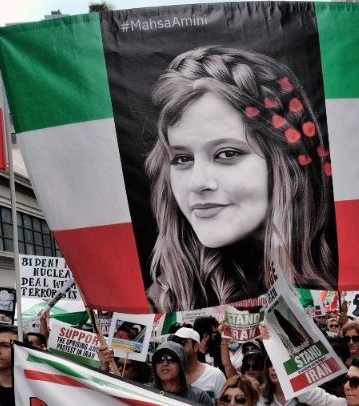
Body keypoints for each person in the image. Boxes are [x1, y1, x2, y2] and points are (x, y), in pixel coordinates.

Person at [144, 45, 336, 310]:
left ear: (284, 163)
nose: (197, 183)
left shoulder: (351, 279)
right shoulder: (159, 303)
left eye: (226, 153)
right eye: (182, 159)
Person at [150, 341, 214, 406]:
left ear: (181, 364)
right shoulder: (144, 392)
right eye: (160, 359)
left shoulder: (199, 398)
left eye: (171, 359)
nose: (165, 363)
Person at [173, 327, 226, 399]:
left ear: (195, 347)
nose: (177, 347)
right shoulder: (170, 376)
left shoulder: (215, 375)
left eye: (182, 343)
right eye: (174, 343)